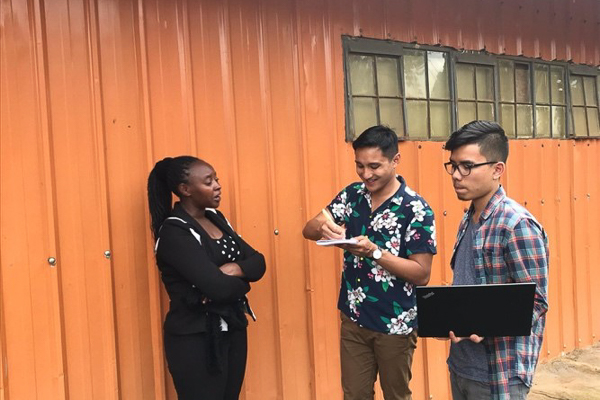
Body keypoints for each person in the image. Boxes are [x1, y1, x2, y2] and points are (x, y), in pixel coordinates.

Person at [302, 125, 437, 400]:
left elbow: (421, 274)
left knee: (396, 396)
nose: (366, 174)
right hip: (354, 319)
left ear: (395, 161)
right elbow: (308, 230)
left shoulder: (416, 209)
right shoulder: (352, 195)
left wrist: (375, 252)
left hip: (394, 324)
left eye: (374, 166)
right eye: (359, 166)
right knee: (355, 395)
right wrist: (323, 227)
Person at [443, 121, 549, 400]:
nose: (456, 175)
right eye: (452, 165)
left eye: (466, 166)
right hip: (461, 366)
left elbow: (536, 302)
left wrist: (485, 325)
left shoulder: (516, 225)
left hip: (498, 375)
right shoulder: (468, 219)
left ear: (497, 169)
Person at [147, 156, 266, 400]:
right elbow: (217, 288)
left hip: (232, 329)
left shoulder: (216, 219)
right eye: (208, 181)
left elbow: (258, 262)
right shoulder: (174, 231)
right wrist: (243, 281)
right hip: (195, 338)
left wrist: (233, 270)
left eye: (216, 179)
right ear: (185, 190)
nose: (217, 186)